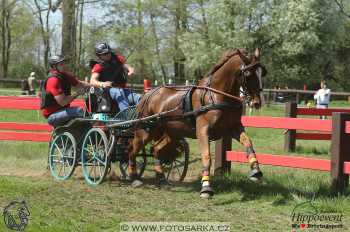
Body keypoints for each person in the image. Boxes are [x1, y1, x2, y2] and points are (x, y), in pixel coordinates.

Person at [40, 55, 90, 127]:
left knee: (89, 112)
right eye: (61, 64)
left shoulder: (65, 75)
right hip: (52, 115)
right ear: (54, 66)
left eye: (64, 63)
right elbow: (63, 102)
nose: (64, 65)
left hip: (64, 111)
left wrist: (100, 85)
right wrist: (77, 93)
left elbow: (80, 84)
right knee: (79, 111)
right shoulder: (53, 80)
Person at [90, 42, 141, 111]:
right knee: (118, 92)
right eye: (105, 54)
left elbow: (126, 66)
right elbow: (92, 81)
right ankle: (127, 114)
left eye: (109, 52)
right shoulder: (98, 65)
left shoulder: (117, 58)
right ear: (99, 55)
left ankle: (144, 115)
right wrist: (103, 84)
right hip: (107, 91)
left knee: (137, 97)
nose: (108, 54)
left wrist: (130, 69)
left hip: (122, 88)